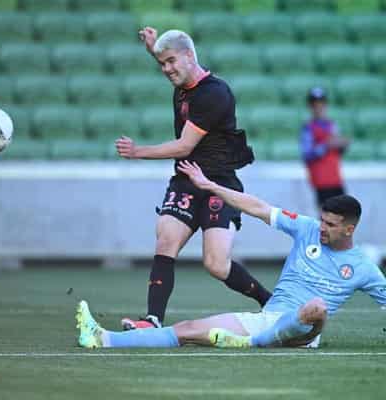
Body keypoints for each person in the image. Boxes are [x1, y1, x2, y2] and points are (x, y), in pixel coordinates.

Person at [75, 161, 386, 349]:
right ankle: (103, 338)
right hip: (268, 321)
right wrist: (211, 186)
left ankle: (254, 343)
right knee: (188, 330)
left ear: (349, 230)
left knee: (316, 308)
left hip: (305, 331)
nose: (321, 228)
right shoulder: (305, 228)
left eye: (330, 225)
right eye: (322, 220)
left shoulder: (364, 268)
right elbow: (257, 206)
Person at [115, 28, 271, 330]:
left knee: (215, 264)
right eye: (162, 64)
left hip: (218, 184)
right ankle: (152, 319)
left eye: (170, 61)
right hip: (186, 179)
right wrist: (154, 49)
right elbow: (172, 59)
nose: (166, 69)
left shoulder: (215, 93)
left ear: (189, 56)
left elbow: (185, 146)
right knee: (166, 240)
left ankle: (269, 301)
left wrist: (137, 152)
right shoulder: (183, 79)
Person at [300, 87, 350, 209]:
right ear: (310, 107)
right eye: (315, 104)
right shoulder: (308, 128)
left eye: (321, 104)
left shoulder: (332, 125)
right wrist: (325, 146)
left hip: (336, 179)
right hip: (321, 182)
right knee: (328, 220)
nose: (318, 107)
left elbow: (338, 150)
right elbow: (307, 154)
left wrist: (341, 144)